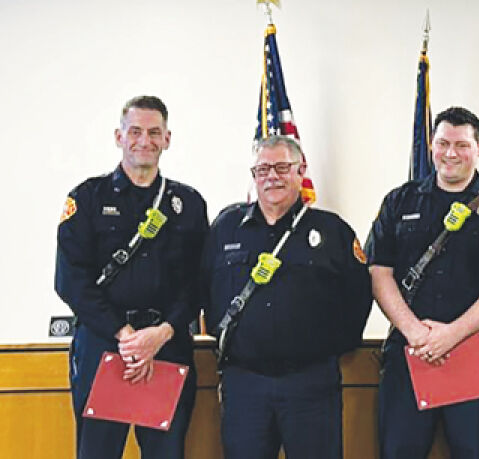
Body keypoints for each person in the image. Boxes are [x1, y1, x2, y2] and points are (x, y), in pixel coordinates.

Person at [366, 107, 479, 459]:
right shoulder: (400, 201)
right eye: (442, 143)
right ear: (431, 145)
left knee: (472, 452)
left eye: (461, 144)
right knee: (398, 451)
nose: (450, 153)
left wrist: (450, 335)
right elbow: (380, 273)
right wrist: (416, 333)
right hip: (410, 351)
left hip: (473, 351)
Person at [55, 95, 207, 459]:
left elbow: (199, 281)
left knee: (165, 454)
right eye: (135, 131)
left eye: (155, 132)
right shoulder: (88, 198)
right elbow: (70, 280)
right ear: (118, 136)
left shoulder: (188, 204)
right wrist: (125, 337)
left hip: (166, 347)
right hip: (105, 347)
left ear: (167, 139)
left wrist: (162, 333)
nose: (145, 140)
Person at [200, 135, 372, 459]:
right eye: (263, 169)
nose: (272, 176)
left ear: (300, 170)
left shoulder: (332, 231)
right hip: (244, 383)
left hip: (311, 384)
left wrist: (329, 348)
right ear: (253, 175)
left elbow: (358, 296)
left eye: (282, 167)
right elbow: (204, 289)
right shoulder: (225, 229)